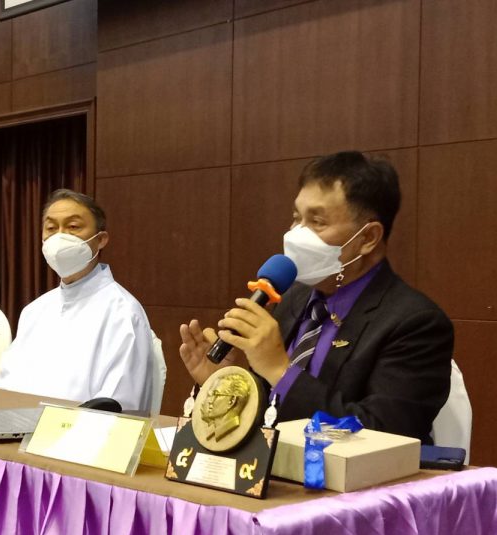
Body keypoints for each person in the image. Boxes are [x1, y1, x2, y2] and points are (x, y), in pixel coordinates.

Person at [179, 151, 453, 443]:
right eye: (297, 218)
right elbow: (267, 418)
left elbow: (383, 434)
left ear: (368, 238)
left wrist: (281, 371)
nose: (296, 234)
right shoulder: (291, 299)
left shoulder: (416, 323)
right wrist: (227, 384)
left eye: (317, 222)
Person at [0, 189, 154, 413]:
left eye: (73, 226)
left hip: (78, 432)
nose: (60, 237)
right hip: (14, 425)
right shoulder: (34, 311)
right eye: (51, 228)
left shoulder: (123, 314)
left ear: (100, 240)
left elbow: (118, 408)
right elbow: (5, 386)